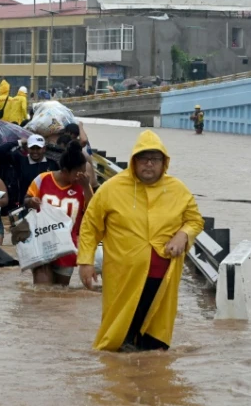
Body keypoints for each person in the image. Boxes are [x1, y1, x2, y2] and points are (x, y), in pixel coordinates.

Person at [77, 130, 204, 352]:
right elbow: (90, 226)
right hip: (123, 278)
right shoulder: (111, 189)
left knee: (154, 343)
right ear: (134, 160)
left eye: (155, 159)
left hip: (162, 278)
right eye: (143, 158)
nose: (149, 164)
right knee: (118, 338)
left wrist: (183, 234)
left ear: (164, 162)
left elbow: (195, 220)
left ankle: (150, 380)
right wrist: (85, 262)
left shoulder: (178, 190)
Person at [24, 141, 93, 286]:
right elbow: (26, 200)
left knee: (59, 294)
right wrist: (31, 202)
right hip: (41, 242)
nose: (81, 176)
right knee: (42, 290)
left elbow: (93, 211)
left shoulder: (82, 187)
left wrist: (86, 186)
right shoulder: (43, 179)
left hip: (67, 247)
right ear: (65, 171)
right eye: (78, 173)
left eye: (84, 172)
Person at [0, 134, 59, 208]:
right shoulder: (20, 161)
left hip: (48, 206)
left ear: (44, 149)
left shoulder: (52, 164)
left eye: (38, 148)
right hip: (25, 206)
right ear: (27, 148)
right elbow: (1, 150)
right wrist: (20, 142)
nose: (35, 151)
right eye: (32, 148)